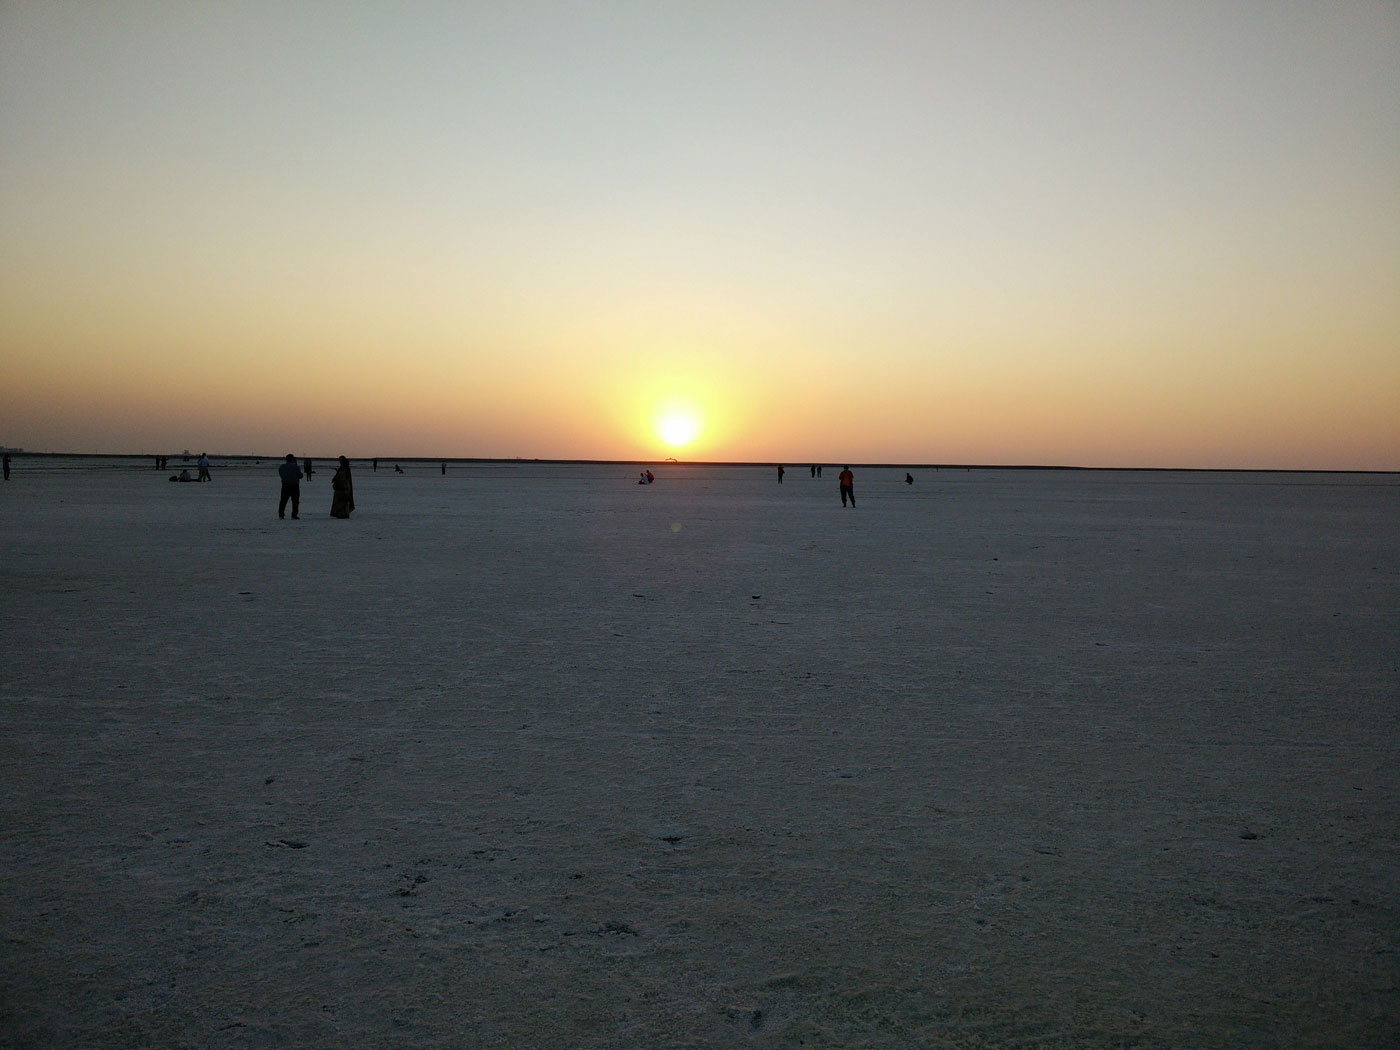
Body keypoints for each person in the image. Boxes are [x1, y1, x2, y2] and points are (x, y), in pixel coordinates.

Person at [278, 454, 303, 519]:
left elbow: (281, 474)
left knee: (283, 501)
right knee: (295, 501)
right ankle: (294, 514)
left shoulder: (282, 467)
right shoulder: (296, 467)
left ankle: (281, 514)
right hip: (294, 486)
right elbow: (300, 476)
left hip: (285, 485)